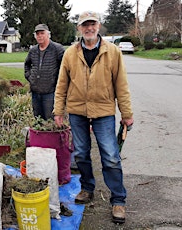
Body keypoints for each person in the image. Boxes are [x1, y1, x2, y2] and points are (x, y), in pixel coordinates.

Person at [53, 11, 134, 224]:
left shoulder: (113, 52)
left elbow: (121, 86)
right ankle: (87, 188)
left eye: (92, 24)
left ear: (98, 26)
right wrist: (58, 111)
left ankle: (118, 200)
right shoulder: (71, 53)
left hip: (104, 111)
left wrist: (126, 114)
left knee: (110, 155)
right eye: (84, 25)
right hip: (77, 111)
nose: (89, 28)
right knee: (80, 153)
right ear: (79, 28)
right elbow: (62, 85)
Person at [24, 24, 65, 120]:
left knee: (50, 120)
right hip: (36, 92)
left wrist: (57, 82)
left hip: (51, 92)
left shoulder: (57, 49)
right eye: (37, 34)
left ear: (48, 35)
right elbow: (27, 65)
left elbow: (65, 68)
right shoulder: (33, 50)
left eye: (42, 33)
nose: (40, 36)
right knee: (38, 120)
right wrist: (30, 77)